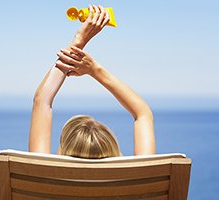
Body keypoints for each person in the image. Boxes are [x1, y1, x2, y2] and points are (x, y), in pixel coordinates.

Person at [29, 5, 155, 158]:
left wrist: (79, 40)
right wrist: (95, 70)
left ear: (63, 152)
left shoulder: (44, 176)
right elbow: (143, 113)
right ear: (115, 152)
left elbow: (41, 100)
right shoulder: (139, 176)